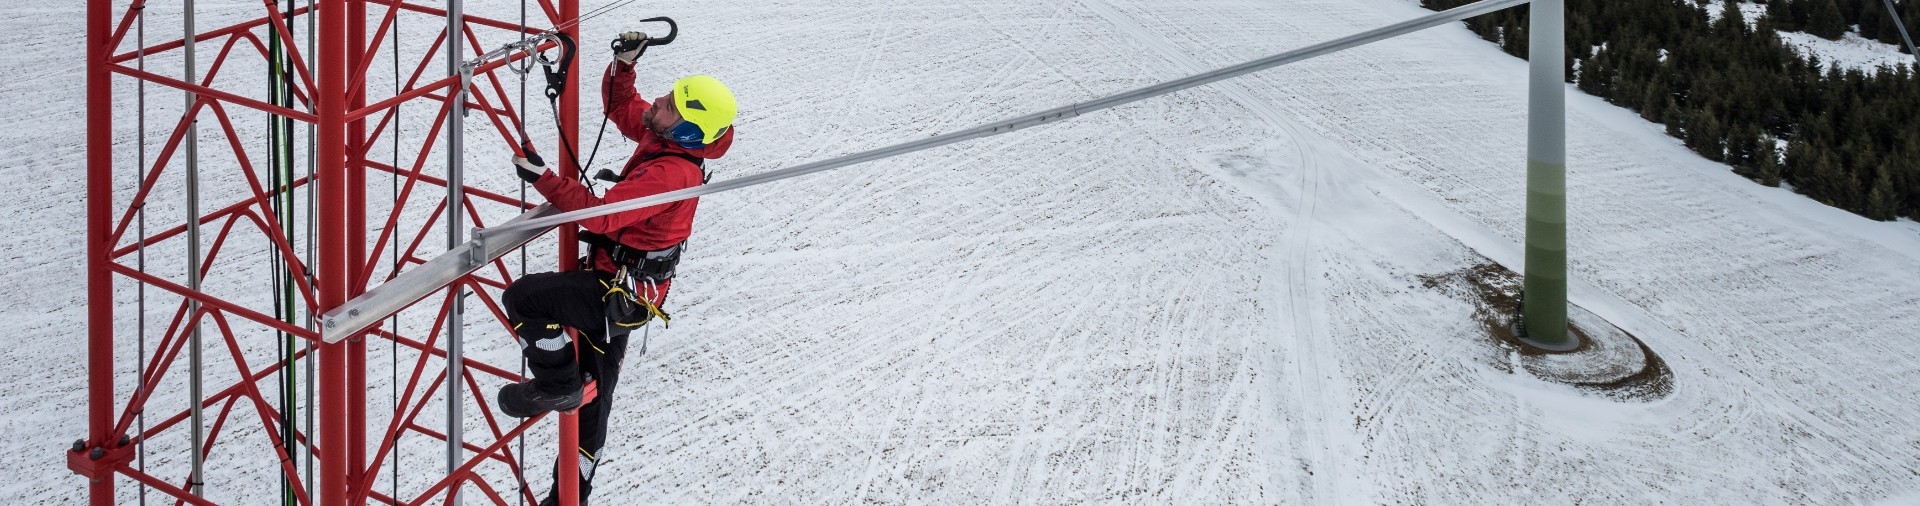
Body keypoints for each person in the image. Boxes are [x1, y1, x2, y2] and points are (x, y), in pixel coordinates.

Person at [496, 30, 737, 506]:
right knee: (597, 397)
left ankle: (558, 383)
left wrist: (542, 179)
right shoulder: (668, 136)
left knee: (525, 298)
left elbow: (601, 214)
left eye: (668, 104)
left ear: (685, 129)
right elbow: (623, 107)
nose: (658, 103)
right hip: (625, 286)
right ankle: (572, 492)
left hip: (619, 291)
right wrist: (624, 66)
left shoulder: (671, 173)